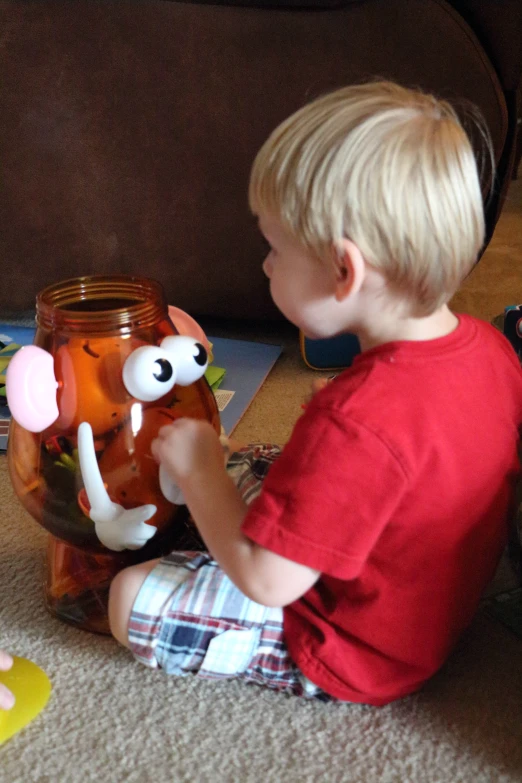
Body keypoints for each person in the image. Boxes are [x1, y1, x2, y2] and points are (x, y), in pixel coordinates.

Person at [108, 81, 522, 705]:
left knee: (129, 596)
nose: (266, 265)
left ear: (343, 271)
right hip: (425, 596)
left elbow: (268, 582)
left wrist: (202, 478)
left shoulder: (353, 422)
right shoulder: (492, 348)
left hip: (351, 644)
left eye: (274, 248)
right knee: (250, 460)